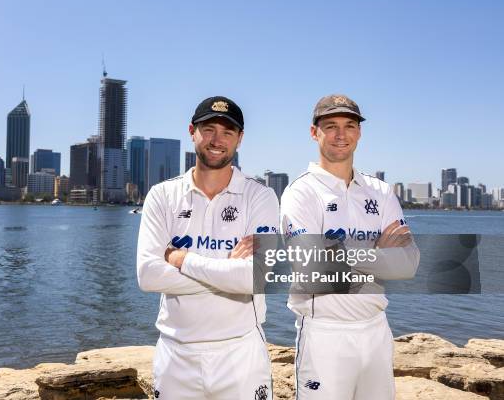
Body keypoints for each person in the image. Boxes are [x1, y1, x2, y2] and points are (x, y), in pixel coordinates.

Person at [137, 96, 279, 400]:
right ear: (192, 131)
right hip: (177, 355)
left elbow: (255, 279)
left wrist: (180, 258)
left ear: (240, 139)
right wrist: (227, 269)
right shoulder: (162, 195)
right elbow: (148, 275)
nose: (217, 140)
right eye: (209, 129)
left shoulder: (260, 197)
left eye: (228, 132)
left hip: (240, 352)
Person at [280, 94, 420, 399]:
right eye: (330, 126)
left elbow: (409, 264)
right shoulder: (300, 192)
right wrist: (380, 254)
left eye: (349, 125)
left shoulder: (380, 191)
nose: (341, 135)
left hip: (376, 330)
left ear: (359, 132)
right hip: (324, 333)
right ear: (314, 132)